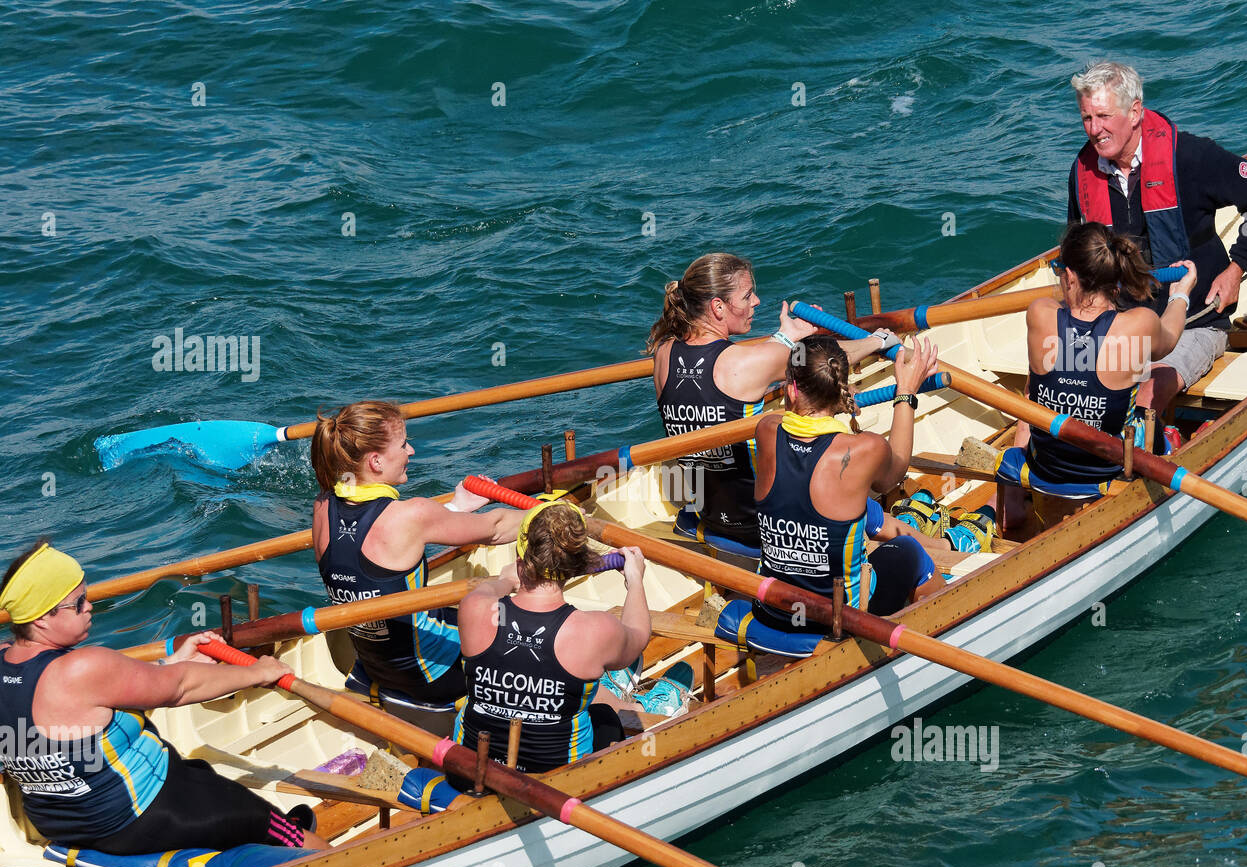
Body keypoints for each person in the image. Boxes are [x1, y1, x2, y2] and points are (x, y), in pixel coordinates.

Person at [0, 541, 330, 854]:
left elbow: (98, 698)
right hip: (138, 818)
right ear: (41, 618)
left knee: (198, 773)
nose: (90, 607)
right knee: (269, 822)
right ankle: (315, 855)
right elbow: (181, 687)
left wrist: (169, 665)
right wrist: (259, 672)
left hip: (60, 825)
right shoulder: (80, 668)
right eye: (78, 603)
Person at [1068, 60, 1247, 415]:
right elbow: (1079, 256)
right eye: (1087, 119)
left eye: (1104, 116)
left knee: (1148, 393)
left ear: (1135, 111)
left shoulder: (1190, 158)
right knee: (1053, 378)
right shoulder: (1081, 172)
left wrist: (1237, 268)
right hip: (1121, 324)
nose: (1095, 130)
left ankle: (1144, 449)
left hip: (1194, 323)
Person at [650, 253, 901, 554]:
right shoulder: (745, 362)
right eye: (747, 296)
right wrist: (879, 341)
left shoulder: (664, 354)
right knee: (877, 514)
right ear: (718, 307)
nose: (756, 301)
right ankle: (942, 544)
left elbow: (754, 362)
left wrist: (784, 340)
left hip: (712, 519)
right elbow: (827, 362)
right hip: (770, 527)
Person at [310, 401, 523, 715]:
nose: (411, 451)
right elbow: (496, 529)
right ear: (376, 462)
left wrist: (455, 508)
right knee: (533, 630)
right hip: (434, 677)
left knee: (454, 613)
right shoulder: (412, 515)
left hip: (375, 668)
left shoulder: (323, 507)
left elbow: (381, 541)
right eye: (403, 444)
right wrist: (556, 515)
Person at [1001, 222, 1197, 528]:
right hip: (1108, 470)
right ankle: (1173, 442)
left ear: (1069, 277)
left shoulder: (1038, 312)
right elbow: (1170, 336)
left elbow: (1038, 381)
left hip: (1046, 467)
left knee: (1033, 392)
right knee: (1151, 419)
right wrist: (1180, 294)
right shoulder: (1139, 324)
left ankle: (1013, 499)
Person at [454, 502, 674, 772]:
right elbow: (638, 636)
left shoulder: (473, 608)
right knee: (604, 716)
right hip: (557, 782)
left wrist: (506, 581)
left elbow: (491, 588)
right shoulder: (594, 630)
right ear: (576, 565)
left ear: (521, 561)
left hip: (471, 772)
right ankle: (610, 687)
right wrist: (635, 581)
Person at [750, 336, 947, 636]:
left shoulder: (766, 432)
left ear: (791, 389)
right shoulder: (865, 450)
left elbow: (795, 424)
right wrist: (906, 391)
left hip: (771, 612)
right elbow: (896, 471)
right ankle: (944, 622)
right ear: (839, 390)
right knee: (908, 551)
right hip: (839, 621)